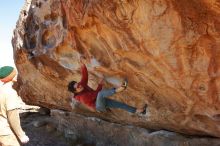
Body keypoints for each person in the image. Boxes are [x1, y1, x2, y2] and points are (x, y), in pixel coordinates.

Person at [68, 58, 146, 114]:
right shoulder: (82, 97)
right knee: (100, 94)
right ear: (76, 91)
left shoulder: (81, 85)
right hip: (98, 106)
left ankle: (140, 111)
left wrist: (83, 65)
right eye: (77, 87)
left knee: (120, 105)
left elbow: (84, 76)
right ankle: (121, 88)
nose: (80, 86)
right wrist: (100, 84)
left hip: (100, 101)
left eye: (78, 84)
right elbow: (97, 93)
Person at [0, 66, 29, 146]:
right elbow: (12, 116)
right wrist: (21, 135)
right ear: (11, 77)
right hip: (6, 133)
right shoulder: (10, 92)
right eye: (15, 74)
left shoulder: (1, 90)